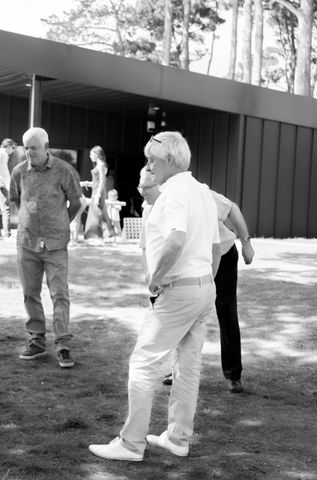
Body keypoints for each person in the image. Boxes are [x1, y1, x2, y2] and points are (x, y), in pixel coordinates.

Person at [89, 131, 221, 461]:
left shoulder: (174, 193)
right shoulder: (202, 192)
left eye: (152, 159)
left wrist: (156, 281)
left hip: (179, 290)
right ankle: (177, 439)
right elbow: (216, 248)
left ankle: (131, 443)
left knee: (143, 364)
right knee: (188, 366)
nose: (148, 164)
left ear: (171, 161)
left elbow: (176, 240)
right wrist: (204, 283)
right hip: (204, 288)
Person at [160, 190, 255, 393]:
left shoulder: (198, 191)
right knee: (187, 312)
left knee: (226, 310)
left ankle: (233, 374)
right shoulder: (163, 200)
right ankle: (181, 370)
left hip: (223, 253)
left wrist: (246, 243)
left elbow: (232, 209)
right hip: (195, 259)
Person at [9, 127, 82, 368]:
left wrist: (61, 224)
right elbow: (17, 202)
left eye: (34, 148)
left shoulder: (64, 170)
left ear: (47, 147)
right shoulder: (19, 172)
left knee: (59, 295)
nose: (29, 152)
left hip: (56, 244)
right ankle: (36, 341)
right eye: (26, 148)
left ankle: (62, 344)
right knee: (30, 293)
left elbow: (76, 202)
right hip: (27, 243)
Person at [83, 145, 112, 241]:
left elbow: (102, 181)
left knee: (98, 212)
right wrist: (87, 183)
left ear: (96, 154)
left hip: (98, 192)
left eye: (91, 154)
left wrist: (98, 195)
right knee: (97, 212)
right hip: (96, 191)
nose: (90, 156)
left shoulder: (101, 165)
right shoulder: (100, 165)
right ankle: (100, 236)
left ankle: (101, 236)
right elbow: (97, 182)